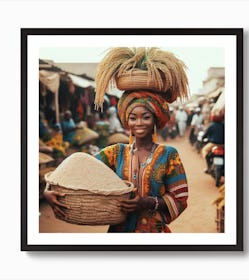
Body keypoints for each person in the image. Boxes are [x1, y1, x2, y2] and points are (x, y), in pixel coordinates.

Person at [43, 47, 189, 233]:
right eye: (133, 117)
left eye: (146, 116)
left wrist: (147, 202)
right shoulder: (116, 153)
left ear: (155, 118)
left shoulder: (169, 155)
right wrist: (48, 190)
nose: (139, 123)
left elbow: (180, 197)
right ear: (126, 120)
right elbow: (79, 170)